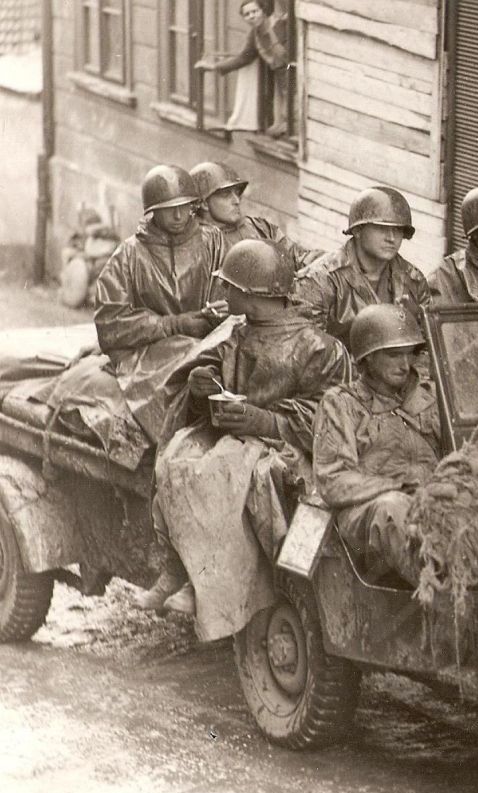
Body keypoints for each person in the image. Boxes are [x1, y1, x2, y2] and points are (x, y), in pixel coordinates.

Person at [141, 239, 352, 622]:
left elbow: (332, 416)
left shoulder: (318, 348)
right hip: (235, 433)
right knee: (175, 457)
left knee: (223, 471)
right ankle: (176, 567)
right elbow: (209, 384)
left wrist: (265, 421)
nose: (222, 292)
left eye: (229, 286)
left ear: (251, 294)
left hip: (287, 444)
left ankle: (203, 583)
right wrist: (202, 385)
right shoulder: (237, 330)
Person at [313, 305, 441, 587]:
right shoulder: (341, 404)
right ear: (368, 358)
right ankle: (441, 602)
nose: (405, 365)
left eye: (410, 354)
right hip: (368, 513)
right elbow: (333, 481)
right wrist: (396, 484)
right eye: (394, 354)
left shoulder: (432, 397)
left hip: (433, 499)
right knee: (393, 511)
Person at [95, 165, 228, 360]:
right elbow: (110, 323)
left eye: (184, 206)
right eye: (169, 209)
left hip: (207, 348)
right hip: (150, 356)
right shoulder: (130, 254)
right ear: (153, 211)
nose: (178, 216)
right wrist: (174, 325)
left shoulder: (212, 241)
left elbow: (233, 296)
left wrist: (220, 312)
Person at [295, 186, 430, 347]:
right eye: (382, 228)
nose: (392, 238)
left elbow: (427, 346)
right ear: (358, 230)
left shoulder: (413, 280)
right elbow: (306, 350)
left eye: (398, 230)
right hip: (342, 370)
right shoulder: (322, 279)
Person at [190, 160, 321, 268]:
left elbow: (297, 256)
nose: (236, 201)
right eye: (226, 195)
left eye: (236, 193)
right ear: (204, 204)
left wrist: (330, 260)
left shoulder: (258, 227)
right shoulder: (196, 244)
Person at [195, 0, 290, 137]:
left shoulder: (279, 25)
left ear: (263, 11)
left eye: (254, 12)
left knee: (292, 102)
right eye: (247, 14)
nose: (252, 16)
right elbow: (244, 58)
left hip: (290, 72)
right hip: (279, 75)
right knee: (282, 106)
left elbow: (286, 55)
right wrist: (213, 67)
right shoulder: (255, 35)